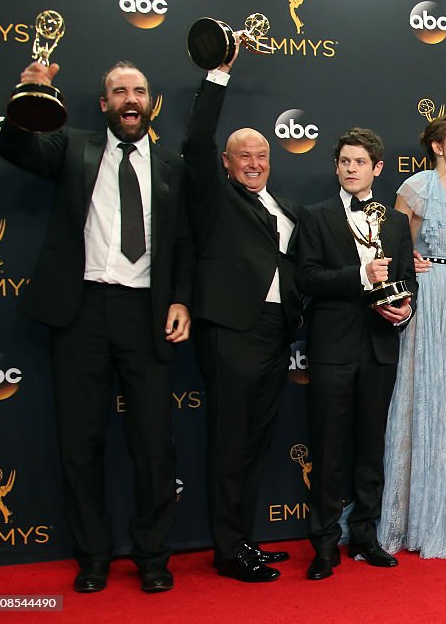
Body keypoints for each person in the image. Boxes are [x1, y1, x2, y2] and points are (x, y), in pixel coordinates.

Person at [0, 60, 194, 593]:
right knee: (80, 442)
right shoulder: (72, 147)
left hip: (145, 313)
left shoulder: (172, 165)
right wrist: (30, 93)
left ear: (150, 104)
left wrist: (180, 299)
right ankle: (93, 556)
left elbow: (182, 244)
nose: (130, 99)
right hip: (79, 310)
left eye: (139, 90)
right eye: (119, 91)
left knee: (153, 443)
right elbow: (15, 148)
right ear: (104, 103)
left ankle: (153, 555)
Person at [181, 44, 301, 582]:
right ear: (227, 163)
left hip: (278, 333)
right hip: (232, 330)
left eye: (262, 155)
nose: (253, 163)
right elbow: (194, 142)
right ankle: (228, 551)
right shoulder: (216, 196)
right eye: (243, 156)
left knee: (255, 442)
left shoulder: (286, 208)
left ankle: (243, 539)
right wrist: (218, 77)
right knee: (231, 441)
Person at [296, 128, 416, 579]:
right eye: (344, 161)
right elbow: (306, 279)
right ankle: (325, 543)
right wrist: (360, 276)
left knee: (371, 447)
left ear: (377, 168)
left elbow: (409, 280)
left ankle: (366, 535)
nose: (350, 169)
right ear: (336, 166)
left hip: (380, 348)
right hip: (332, 348)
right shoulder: (316, 216)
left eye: (359, 162)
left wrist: (403, 312)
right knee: (327, 449)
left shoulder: (397, 223)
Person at [378, 112, 446, 558]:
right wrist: (412, 265)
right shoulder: (417, 187)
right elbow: (395, 248)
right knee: (422, 395)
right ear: (437, 146)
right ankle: (412, 519)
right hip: (426, 298)